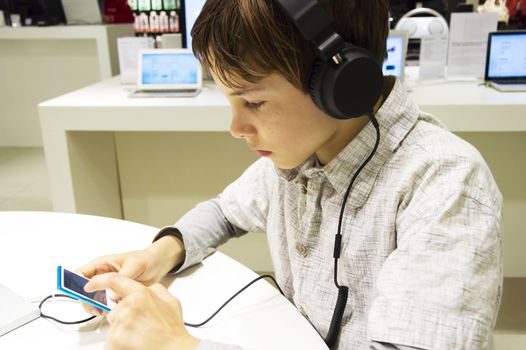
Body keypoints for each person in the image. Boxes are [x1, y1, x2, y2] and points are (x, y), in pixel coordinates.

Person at [80, 0, 503, 349]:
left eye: (254, 103)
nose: (236, 128)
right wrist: (159, 254)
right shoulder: (300, 157)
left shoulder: (444, 184)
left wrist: (178, 345)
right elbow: (225, 212)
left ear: (341, 83)